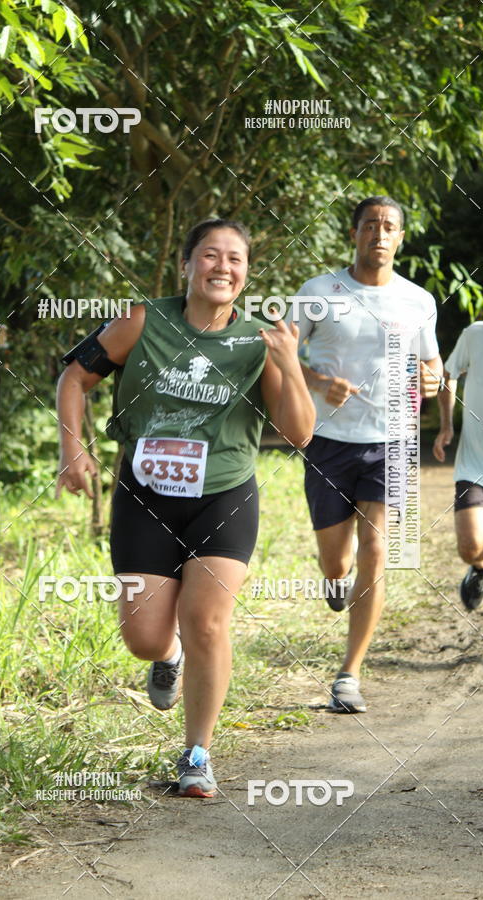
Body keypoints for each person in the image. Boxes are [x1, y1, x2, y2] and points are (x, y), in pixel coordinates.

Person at [56, 218, 315, 797]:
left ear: (246, 274)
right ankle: (167, 654)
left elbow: (298, 434)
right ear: (186, 265)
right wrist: (73, 449)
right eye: (210, 255)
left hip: (224, 496)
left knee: (208, 621)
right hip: (145, 495)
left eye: (235, 259)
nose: (223, 267)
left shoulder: (259, 341)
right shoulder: (142, 321)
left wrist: (291, 364)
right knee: (144, 638)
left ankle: (197, 753)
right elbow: (74, 377)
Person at [287, 196, 443, 714]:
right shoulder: (317, 293)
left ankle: (349, 674)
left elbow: (433, 364)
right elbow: (280, 354)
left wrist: (432, 379)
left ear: (400, 238)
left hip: (392, 440)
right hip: (328, 441)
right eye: (370, 225)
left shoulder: (418, 300)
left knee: (376, 549)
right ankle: (335, 578)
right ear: (353, 234)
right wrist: (317, 382)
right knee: (338, 560)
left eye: (389, 226)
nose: (380, 233)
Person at [433, 320, 483, 609]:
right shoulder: (475, 334)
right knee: (470, 547)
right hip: (475, 465)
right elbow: (448, 374)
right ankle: (481, 567)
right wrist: (446, 425)